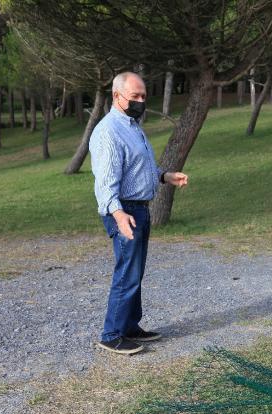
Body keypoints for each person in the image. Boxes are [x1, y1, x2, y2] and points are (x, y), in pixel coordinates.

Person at [90, 72, 188, 355]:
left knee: (136, 271)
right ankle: (111, 334)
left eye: (144, 96)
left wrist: (165, 176)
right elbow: (105, 183)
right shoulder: (109, 131)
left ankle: (130, 326)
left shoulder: (132, 126)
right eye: (135, 96)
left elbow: (140, 169)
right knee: (127, 272)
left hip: (139, 210)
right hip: (124, 211)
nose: (141, 101)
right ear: (117, 96)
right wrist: (119, 215)